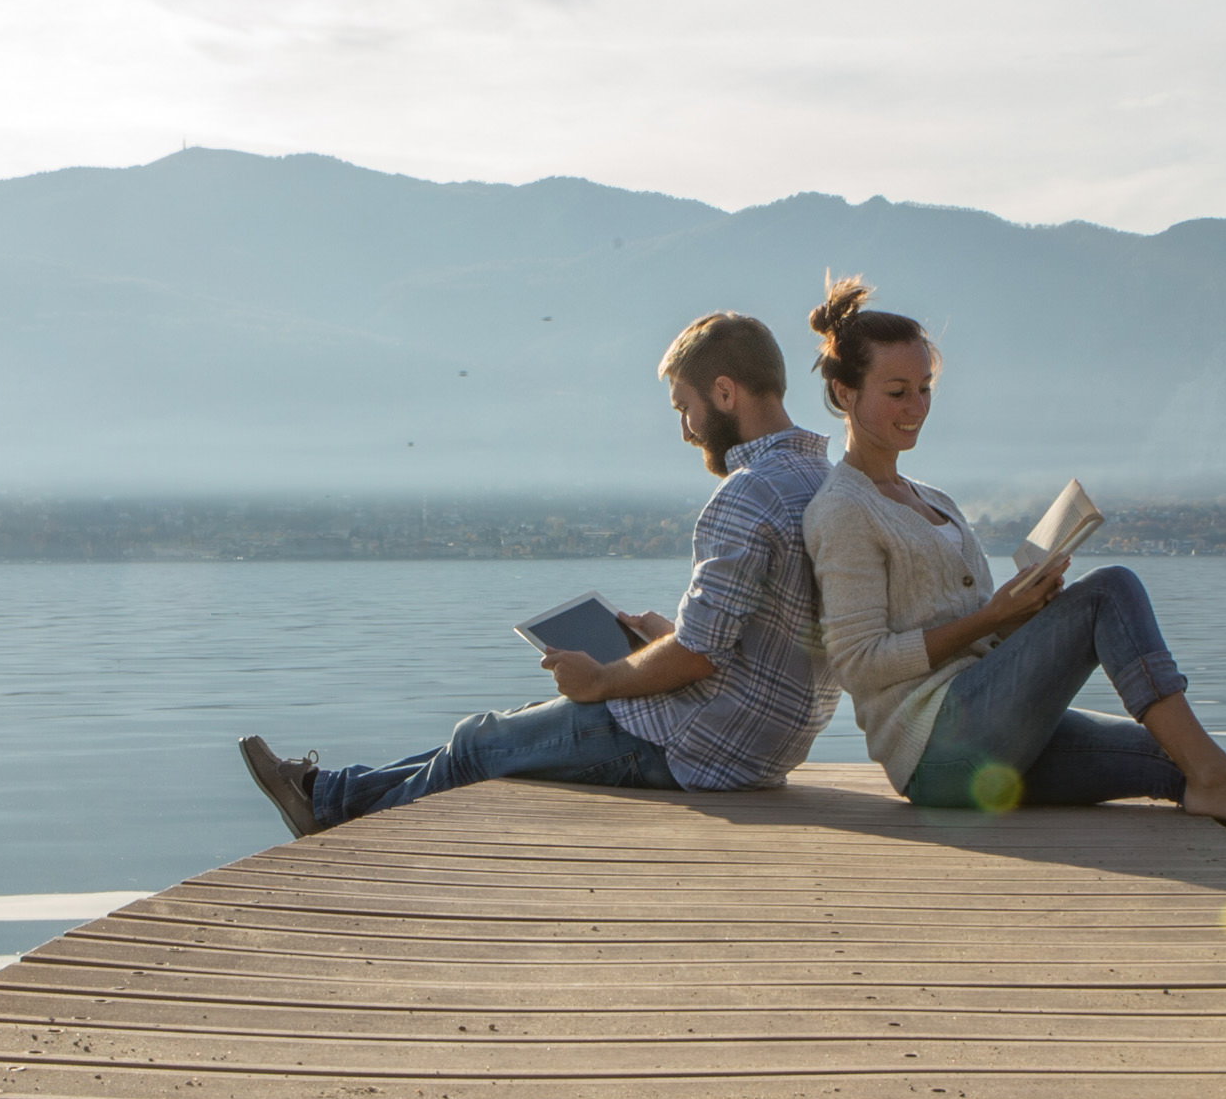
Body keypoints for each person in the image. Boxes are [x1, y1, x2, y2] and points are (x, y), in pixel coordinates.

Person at [236, 312, 837, 837]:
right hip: (764, 741)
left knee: (477, 746)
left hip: (699, 745)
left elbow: (701, 654)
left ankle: (335, 831)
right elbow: (764, 637)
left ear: (725, 393)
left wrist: (602, 678)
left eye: (686, 408)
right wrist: (661, 640)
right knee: (497, 732)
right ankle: (326, 794)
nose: (685, 430)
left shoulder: (747, 493)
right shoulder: (826, 482)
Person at [801, 277, 1226, 835]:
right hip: (939, 752)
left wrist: (1023, 612)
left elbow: (981, 639)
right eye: (897, 391)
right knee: (1109, 591)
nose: (917, 407)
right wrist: (991, 618)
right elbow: (858, 663)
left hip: (996, 727)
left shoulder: (936, 500)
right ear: (843, 393)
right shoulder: (843, 509)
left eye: (926, 388)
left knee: (1182, 761)